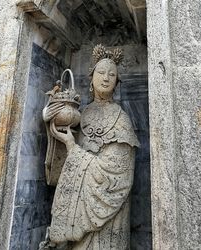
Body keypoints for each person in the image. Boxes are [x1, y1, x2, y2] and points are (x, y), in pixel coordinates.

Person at [41, 45, 139, 250]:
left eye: (112, 75)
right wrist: (52, 124)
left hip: (109, 219)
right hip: (79, 210)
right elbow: (62, 163)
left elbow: (118, 175)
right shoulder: (81, 114)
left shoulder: (121, 120)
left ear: (117, 82)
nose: (106, 78)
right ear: (91, 78)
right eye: (101, 73)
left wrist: (72, 147)